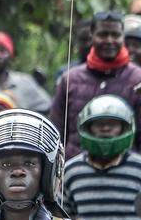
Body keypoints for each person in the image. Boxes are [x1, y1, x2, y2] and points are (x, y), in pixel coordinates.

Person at [63, 95, 141, 220]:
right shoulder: (70, 171)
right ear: (86, 128)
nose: (106, 129)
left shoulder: (138, 167)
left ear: (125, 128)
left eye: (112, 124)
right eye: (99, 124)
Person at [49, 11, 141, 159]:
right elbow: (55, 133)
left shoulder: (138, 80)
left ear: (123, 37)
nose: (109, 40)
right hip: (75, 173)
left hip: (127, 175)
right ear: (91, 35)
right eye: (103, 34)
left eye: (115, 35)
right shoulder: (70, 80)